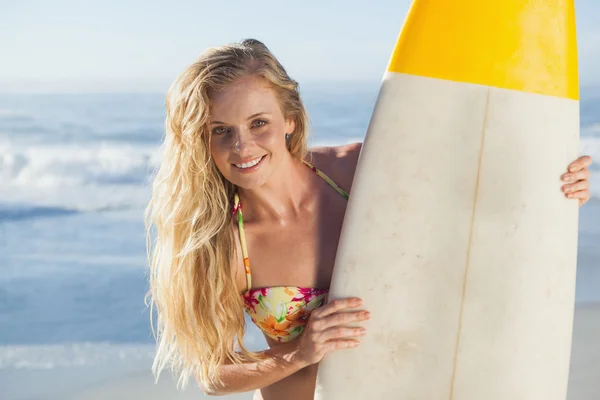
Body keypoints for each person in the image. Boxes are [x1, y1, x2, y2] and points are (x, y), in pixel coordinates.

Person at [144, 39, 593, 400]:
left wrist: (557, 188)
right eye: (220, 130)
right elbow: (213, 374)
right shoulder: (218, 243)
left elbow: (481, 192)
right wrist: (300, 353)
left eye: (258, 122)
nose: (242, 147)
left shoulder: (361, 171)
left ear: (291, 121)